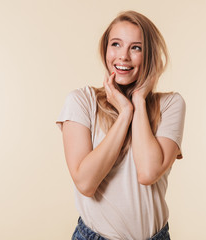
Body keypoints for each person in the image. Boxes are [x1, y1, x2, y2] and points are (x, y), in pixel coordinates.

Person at [56, 10, 186, 240]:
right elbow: (85, 183)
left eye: (136, 47)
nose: (123, 56)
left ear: (150, 56)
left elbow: (148, 172)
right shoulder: (81, 101)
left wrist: (138, 101)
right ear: (105, 49)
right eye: (116, 44)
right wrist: (125, 112)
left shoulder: (170, 105)